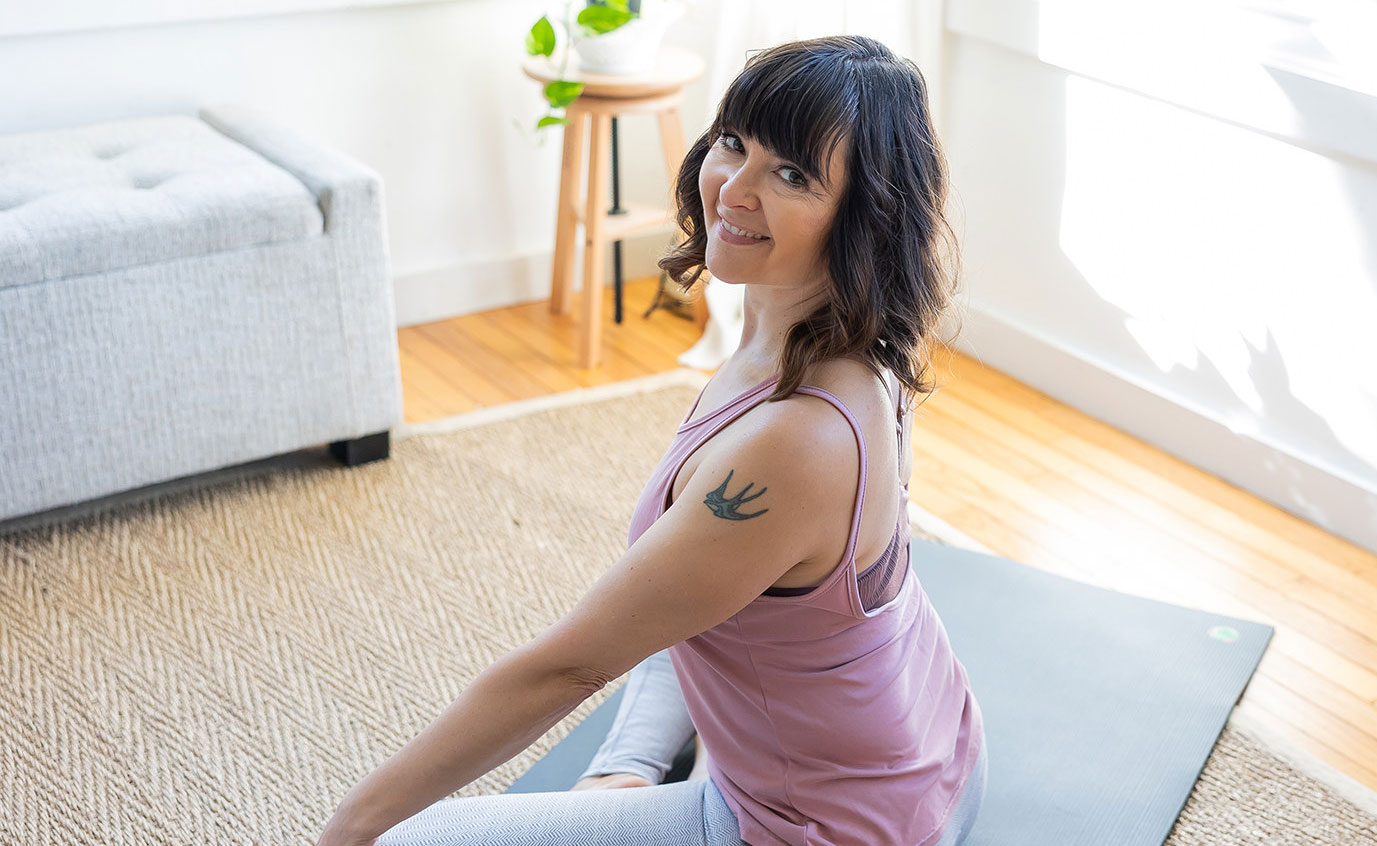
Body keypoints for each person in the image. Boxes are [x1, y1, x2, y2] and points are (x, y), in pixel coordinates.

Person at [316, 34, 985, 846]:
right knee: (683, 593)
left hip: (827, 827)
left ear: (863, 214)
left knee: (402, 840)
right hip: (929, 750)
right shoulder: (846, 338)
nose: (732, 189)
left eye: (793, 174)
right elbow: (686, 610)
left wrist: (350, 826)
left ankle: (647, 783)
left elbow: (565, 668)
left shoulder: (798, 441)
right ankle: (624, 770)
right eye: (735, 142)